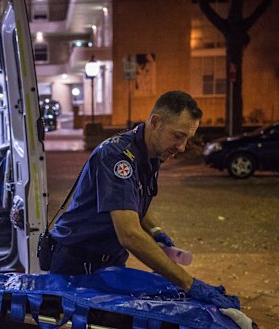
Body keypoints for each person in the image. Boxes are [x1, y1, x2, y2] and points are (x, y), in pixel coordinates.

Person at [49, 90, 240, 309]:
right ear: (156, 122)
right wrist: (190, 284)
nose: (182, 147)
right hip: (77, 263)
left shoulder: (151, 155)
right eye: (178, 136)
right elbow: (129, 234)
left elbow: (131, 199)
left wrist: (155, 230)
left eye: (187, 138)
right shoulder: (117, 156)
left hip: (109, 260)